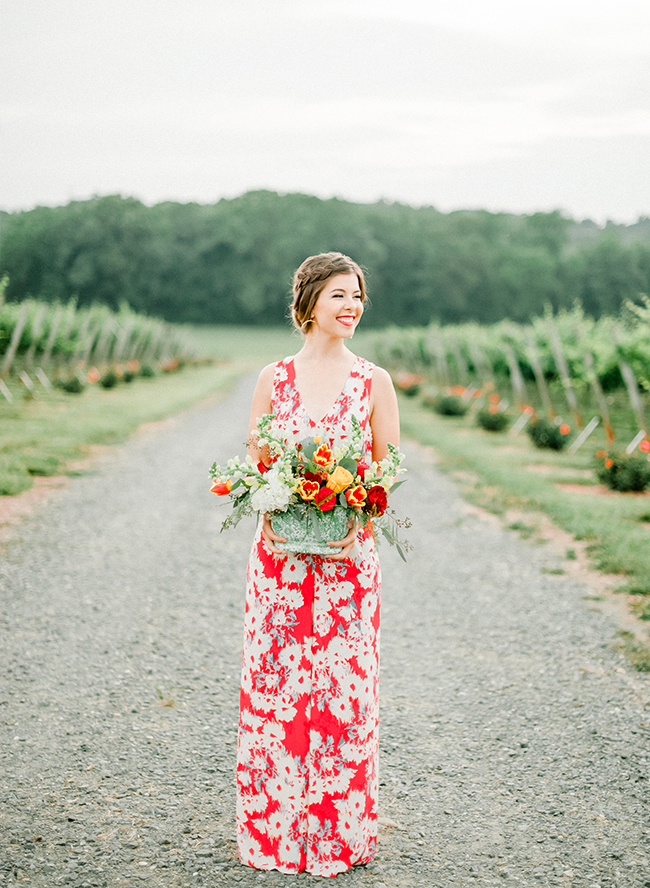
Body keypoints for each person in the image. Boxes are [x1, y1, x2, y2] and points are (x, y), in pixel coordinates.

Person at [236, 252, 400, 877]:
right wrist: (291, 489)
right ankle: (274, 833)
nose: (352, 305)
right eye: (339, 295)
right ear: (308, 302)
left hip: (348, 566)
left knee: (340, 692)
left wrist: (350, 496)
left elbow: (386, 471)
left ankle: (338, 835)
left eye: (357, 295)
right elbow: (255, 468)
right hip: (280, 564)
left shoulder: (372, 381)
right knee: (279, 693)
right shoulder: (272, 379)